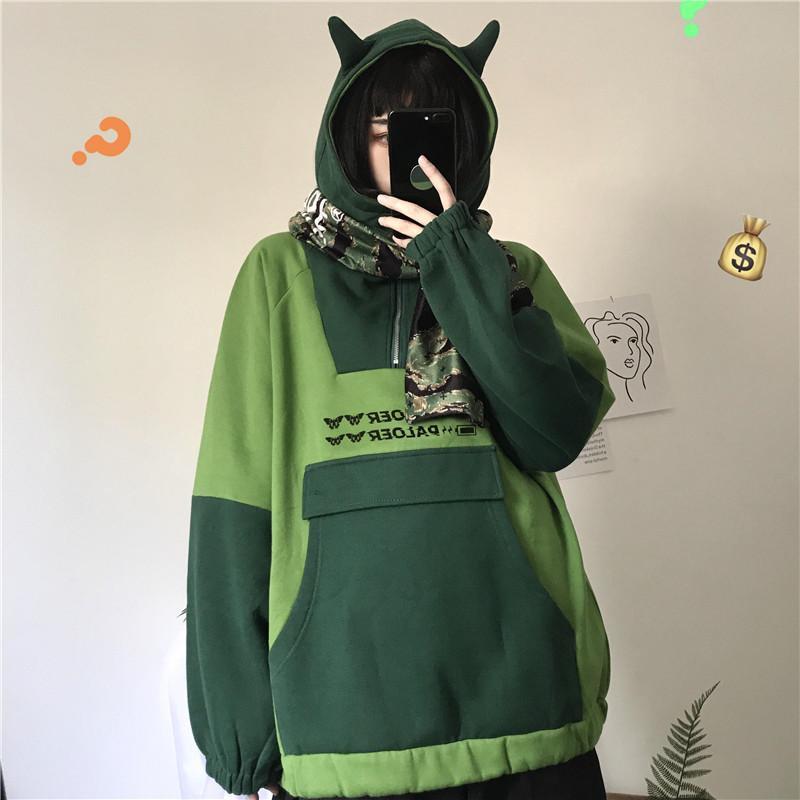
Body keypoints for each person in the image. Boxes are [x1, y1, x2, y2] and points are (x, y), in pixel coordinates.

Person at [185, 14, 616, 800]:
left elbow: (552, 434)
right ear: (350, 139)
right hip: (344, 725)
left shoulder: (512, 271)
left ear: (469, 144)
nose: (411, 155)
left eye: (434, 131)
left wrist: (460, 265)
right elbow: (233, 505)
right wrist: (242, 734)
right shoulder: (278, 273)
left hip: (528, 708)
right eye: (387, 130)